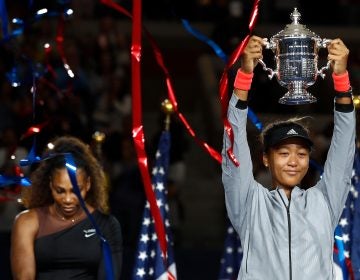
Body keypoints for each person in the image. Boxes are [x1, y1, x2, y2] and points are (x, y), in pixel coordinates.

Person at [222, 35, 356, 279]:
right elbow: (234, 147)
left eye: (302, 154)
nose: (294, 161)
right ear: (265, 159)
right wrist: (244, 76)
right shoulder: (250, 202)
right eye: (283, 153)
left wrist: (341, 79)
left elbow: (343, 150)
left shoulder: (325, 201)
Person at [10, 136, 122, 280]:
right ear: (51, 185)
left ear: (88, 184)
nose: (68, 199)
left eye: (76, 190)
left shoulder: (107, 225)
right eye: (60, 191)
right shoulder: (26, 222)